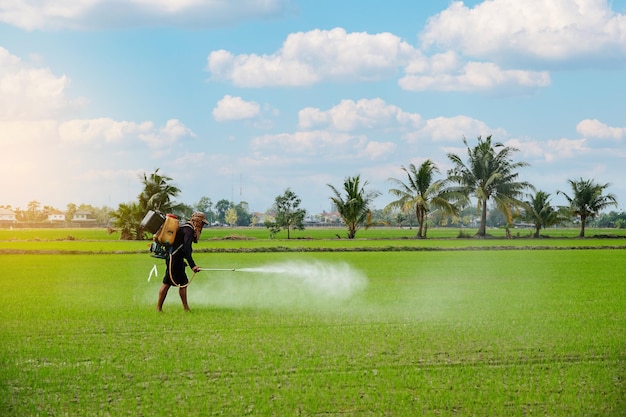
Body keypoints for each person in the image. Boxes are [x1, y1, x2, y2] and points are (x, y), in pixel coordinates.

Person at [156, 212, 209, 312]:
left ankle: (179, 308)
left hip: (174, 258)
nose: (202, 226)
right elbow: (186, 248)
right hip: (175, 259)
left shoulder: (184, 227)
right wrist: (192, 266)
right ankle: (182, 308)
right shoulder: (188, 230)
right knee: (174, 282)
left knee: (174, 282)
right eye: (202, 223)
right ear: (197, 221)